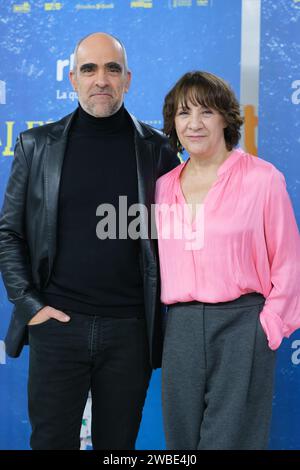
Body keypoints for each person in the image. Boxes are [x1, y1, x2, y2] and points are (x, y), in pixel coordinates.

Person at [0, 32, 179, 450]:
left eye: (112, 69)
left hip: (129, 334)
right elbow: (9, 233)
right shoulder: (36, 146)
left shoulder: (158, 151)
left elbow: (178, 236)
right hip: (57, 328)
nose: (101, 79)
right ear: (72, 78)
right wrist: (30, 305)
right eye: (90, 69)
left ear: (128, 79)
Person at [155, 71, 300, 450]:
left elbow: (288, 261)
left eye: (206, 111)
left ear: (225, 118)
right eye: (184, 113)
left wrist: (267, 327)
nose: (194, 123)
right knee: (181, 446)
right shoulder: (163, 186)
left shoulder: (263, 179)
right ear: (173, 123)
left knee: (232, 443)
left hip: (242, 325)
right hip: (181, 328)